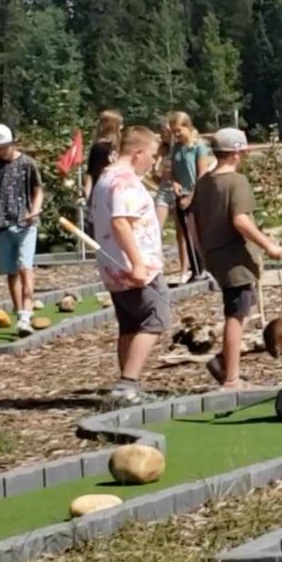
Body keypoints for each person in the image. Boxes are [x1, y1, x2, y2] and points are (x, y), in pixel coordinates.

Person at [192, 128, 282, 388]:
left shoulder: (204, 183)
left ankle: (223, 361)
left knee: (243, 308)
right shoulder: (236, 182)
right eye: (243, 152)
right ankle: (232, 378)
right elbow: (240, 220)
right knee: (236, 315)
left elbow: (193, 219)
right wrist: (269, 246)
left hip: (215, 255)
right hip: (234, 258)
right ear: (236, 153)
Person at [90, 126, 170, 404]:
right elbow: (121, 222)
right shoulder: (123, 181)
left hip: (114, 265)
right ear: (137, 153)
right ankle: (127, 384)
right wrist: (137, 263)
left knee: (130, 324)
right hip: (135, 266)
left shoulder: (105, 177)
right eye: (151, 154)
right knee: (156, 318)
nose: (153, 161)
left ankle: (126, 384)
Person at [0, 125, 43, 336]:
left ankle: (26, 314)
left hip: (25, 223)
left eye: (3, 147)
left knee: (26, 267)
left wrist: (34, 211)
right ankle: (20, 313)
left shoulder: (27, 164)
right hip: (1, 224)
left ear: (12, 143)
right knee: (11, 271)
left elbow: (38, 190)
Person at [168, 111, 213, 279]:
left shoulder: (199, 147)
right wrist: (175, 182)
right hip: (182, 194)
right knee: (187, 234)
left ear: (188, 127)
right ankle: (195, 270)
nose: (176, 135)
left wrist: (191, 196)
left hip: (197, 194)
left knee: (198, 232)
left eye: (179, 130)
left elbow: (202, 174)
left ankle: (206, 268)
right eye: (174, 132)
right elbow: (173, 172)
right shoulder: (177, 148)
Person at [151, 120, 185, 279]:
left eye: (164, 131)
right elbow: (154, 172)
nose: (162, 135)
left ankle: (185, 267)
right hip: (164, 189)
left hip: (178, 189)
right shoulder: (161, 150)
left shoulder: (179, 149)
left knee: (181, 233)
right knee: (155, 228)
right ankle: (156, 263)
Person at [83, 110, 123, 231]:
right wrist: (86, 194)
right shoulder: (99, 147)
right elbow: (91, 172)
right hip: (103, 191)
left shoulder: (118, 146)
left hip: (117, 189)